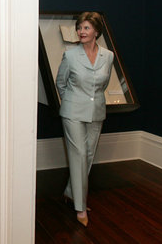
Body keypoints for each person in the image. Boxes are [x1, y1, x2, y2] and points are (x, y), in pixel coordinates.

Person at [55, 12, 114, 227]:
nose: (81, 31)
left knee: (88, 155)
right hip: (72, 111)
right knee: (78, 154)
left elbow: (104, 84)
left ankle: (72, 193)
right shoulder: (70, 55)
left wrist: (91, 100)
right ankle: (80, 207)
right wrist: (71, 102)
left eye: (86, 28)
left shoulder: (108, 56)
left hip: (96, 110)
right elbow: (60, 83)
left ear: (96, 31)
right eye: (79, 27)